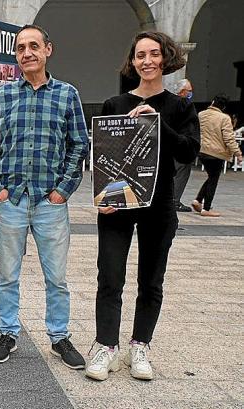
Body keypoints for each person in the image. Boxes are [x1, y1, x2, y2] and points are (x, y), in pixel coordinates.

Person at [86, 31, 200, 382]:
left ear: (164, 59)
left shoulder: (180, 106)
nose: (147, 61)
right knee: (110, 276)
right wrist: (103, 197)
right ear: (132, 62)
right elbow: (105, 157)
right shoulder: (115, 104)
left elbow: (188, 152)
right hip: (119, 204)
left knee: (151, 280)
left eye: (153, 54)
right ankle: (106, 346)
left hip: (159, 204)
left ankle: (140, 345)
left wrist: (156, 122)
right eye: (140, 55)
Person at [0, 24, 89, 368]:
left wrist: (63, 191)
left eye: (33, 46)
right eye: (20, 48)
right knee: (8, 274)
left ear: (48, 50)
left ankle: (59, 337)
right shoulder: (2, 95)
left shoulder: (67, 94)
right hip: (11, 200)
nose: (26, 53)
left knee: (56, 277)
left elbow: (79, 144)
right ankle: (8, 333)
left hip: (50, 202)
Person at [192, 94, 242, 217]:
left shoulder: (201, 114)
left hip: (202, 151)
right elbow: (229, 139)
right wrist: (238, 154)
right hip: (216, 153)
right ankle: (206, 208)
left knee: (211, 177)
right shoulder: (224, 118)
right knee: (213, 179)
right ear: (224, 106)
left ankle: (198, 200)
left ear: (213, 102)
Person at [173, 78, 195, 212]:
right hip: (180, 145)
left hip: (174, 145)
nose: (191, 93)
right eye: (189, 91)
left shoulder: (171, 103)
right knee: (181, 172)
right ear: (182, 92)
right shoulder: (183, 105)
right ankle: (175, 201)